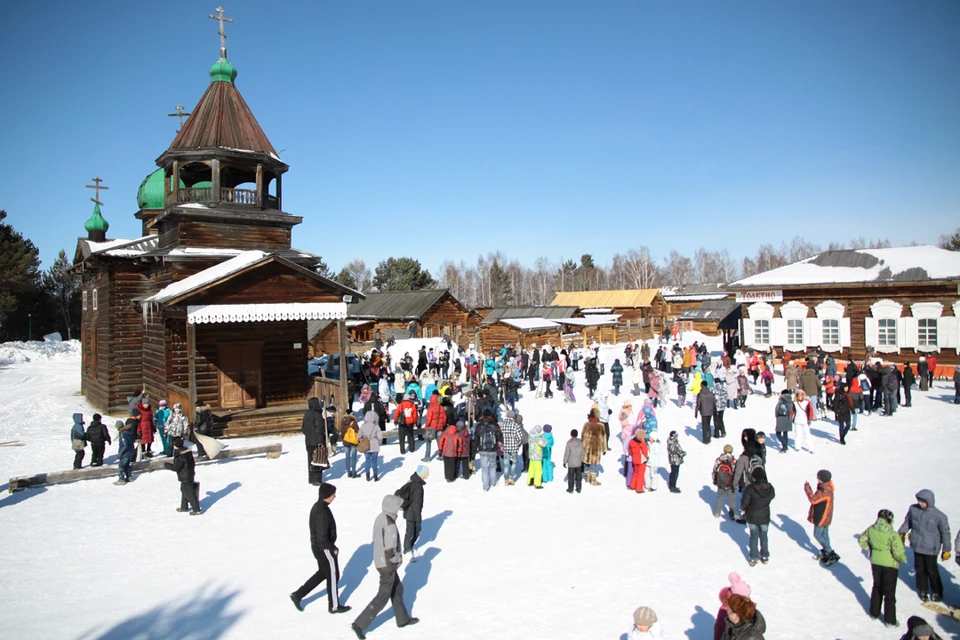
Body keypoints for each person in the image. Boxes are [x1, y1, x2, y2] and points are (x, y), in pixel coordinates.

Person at [351, 496, 419, 638]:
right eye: (398, 507)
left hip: (380, 561)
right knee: (383, 596)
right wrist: (396, 561)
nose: (399, 510)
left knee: (398, 590)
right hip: (387, 565)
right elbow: (390, 549)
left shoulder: (380, 517)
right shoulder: (390, 524)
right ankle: (359, 624)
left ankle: (403, 619)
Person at [898, 489, 952, 603]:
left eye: (923, 501)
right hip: (917, 545)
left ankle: (937, 591)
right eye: (919, 501)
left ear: (930, 501)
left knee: (931, 570)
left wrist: (946, 549)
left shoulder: (939, 516)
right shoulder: (913, 509)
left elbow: (945, 533)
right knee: (919, 569)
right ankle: (923, 590)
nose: (920, 503)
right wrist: (902, 532)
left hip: (931, 548)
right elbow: (908, 522)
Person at [859, 508, 906, 628]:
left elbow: (861, 540)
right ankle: (890, 620)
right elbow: (897, 552)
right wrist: (902, 559)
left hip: (876, 561)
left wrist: (869, 549)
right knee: (889, 592)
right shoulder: (892, 534)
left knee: (877, 587)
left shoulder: (871, 529)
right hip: (890, 564)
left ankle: (874, 613)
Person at [741, 468, 775, 566]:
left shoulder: (750, 488)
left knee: (754, 536)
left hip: (752, 516)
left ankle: (753, 558)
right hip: (765, 516)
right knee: (764, 536)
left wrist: (744, 509)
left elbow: (744, 503)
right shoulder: (770, 488)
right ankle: (764, 556)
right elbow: (772, 496)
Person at [805, 470, 837, 566]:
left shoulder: (824, 491)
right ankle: (827, 552)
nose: (817, 479)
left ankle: (829, 551)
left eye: (818, 477)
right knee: (825, 535)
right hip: (826, 516)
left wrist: (807, 488)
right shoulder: (827, 487)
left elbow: (813, 500)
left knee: (817, 534)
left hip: (822, 518)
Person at [395, 466, 428, 558]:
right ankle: (407, 550)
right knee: (412, 532)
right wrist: (418, 519)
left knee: (412, 531)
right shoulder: (418, 487)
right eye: (427, 473)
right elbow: (416, 504)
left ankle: (409, 548)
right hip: (412, 513)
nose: (428, 474)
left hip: (409, 512)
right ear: (422, 474)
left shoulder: (413, 481)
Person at [163, 437, 200, 515]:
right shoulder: (186, 452)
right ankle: (184, 507)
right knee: (184, 490)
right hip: (189, 474)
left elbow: (175, 467)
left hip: (185, 476)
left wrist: (167, 465)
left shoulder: (181, 456)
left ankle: (196, 509)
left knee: (189, 492)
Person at [714, 573, 752, 640]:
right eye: (747, 597)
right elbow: (719, 627)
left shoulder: (747, 606)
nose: (749, 599)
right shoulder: (725, 609)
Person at [475, 412, 502, 491]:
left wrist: (474, 450)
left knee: (484, 468)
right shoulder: (495, 426)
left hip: (482, 449)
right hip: (493, 449)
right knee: (493, 465)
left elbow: (476, 439)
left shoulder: (479, 427)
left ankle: (486, 486)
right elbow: (499, 438)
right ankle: (493, 482)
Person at [302, 397, 326, 486]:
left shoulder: (306, 414)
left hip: (308, 441)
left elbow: (303, 428)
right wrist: (320, 442)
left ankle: (311, 478)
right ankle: (317, 479)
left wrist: (308, 436)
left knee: (310, 460)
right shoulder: (317, 414)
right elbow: (319, 429)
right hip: (316, 441)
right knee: (318, 460)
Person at [582, 410, 606, 486]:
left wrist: (582, 444)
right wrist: (604, 448)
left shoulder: (586, 424)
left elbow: (582, 435)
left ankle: (587, 477)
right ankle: (593, 480)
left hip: (586, 446)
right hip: (596, 446)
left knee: (586, 461)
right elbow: (603, 437)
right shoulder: (601, 425)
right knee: (593, 462)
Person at [358, 410, 383, 482]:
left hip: (366, 446)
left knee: (367, 461)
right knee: (374, 462)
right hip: (374, 445)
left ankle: (367, 476)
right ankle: (375, 476)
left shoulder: (362, 426)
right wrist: (378, 441)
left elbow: (359, 436)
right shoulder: (376, 426)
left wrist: (362, 440)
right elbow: (380, 437)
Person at [713, 444, 737, 519]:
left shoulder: (719, 460)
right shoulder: (733, 461)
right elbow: (735, 472)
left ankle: (717, 512)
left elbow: (714, 470)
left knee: (720, 497)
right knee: (731, 499)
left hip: (720, 482)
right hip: (730, 483)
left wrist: (715, 480)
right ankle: (732, 513)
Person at [500, 411, 523, 486]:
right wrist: (518, 443)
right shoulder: (515, 425)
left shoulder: (503, 424)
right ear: (513, 417)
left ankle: (506, 479)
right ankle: (511, 476)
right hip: (514, 447)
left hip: (506, 447)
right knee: (514, 462)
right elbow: (520, 437)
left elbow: (501, 435)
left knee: (506, 463)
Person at [114, 417, 137, 485]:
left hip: (125, 453)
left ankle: (121, 479)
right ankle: (129, 477)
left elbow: (125, 445)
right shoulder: (129, 431)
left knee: (121, 466)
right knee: (127, 465)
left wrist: (121, 453)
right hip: (131, 451)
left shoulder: (123, 433)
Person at [627, 428, 648, 494]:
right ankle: (639, 488)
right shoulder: (642, 443)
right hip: (642, 460)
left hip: (635, 459)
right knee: (641, 474)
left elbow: (629, 451)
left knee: (636, 472)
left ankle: (632, 485)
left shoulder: (631, 441)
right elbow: (645, 452)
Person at [563, 429, 584, 494]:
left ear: (571, 434)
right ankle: (578, 488)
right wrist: (582, 460)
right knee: (579, 476)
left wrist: (564, 461)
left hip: (571, 462)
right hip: (578, 462)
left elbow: (567, 453)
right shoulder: (581, 442)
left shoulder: (569, 443)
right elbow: (583, 452)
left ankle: (570, 488)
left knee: (571, 476)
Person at [526, 425, 547, 489]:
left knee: (531, 469)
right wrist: (543, 437)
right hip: (537, 456)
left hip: (531, 454)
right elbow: (544, 444)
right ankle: (537, 483)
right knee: (538, 470)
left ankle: (530, 481)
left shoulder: (530, 435)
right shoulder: (538, 437)